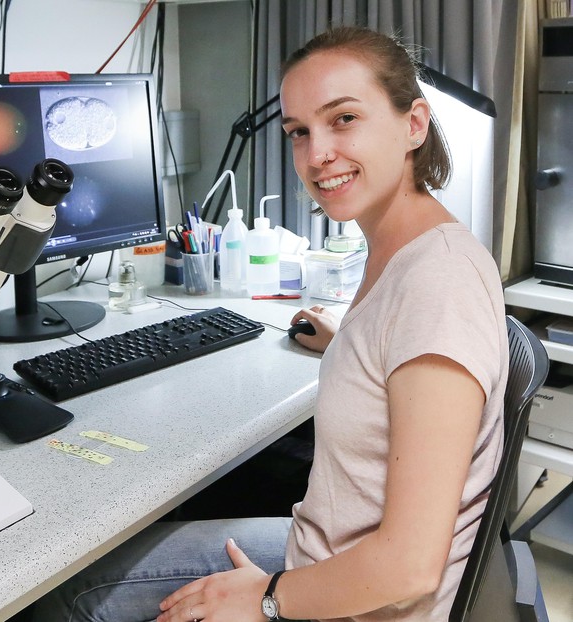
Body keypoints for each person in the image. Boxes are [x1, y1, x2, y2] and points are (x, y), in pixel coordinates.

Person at [31, 26, 508, 622]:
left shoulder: (438, 285)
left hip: (367, 599)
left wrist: (268, 600)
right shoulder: (404, 250)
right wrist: (354, 350)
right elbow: (408, 360)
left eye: (344, 119)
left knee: (67, 593)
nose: (316, 155)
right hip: (329, 551)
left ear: (414, 124)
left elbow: (408, 567)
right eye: (299, 132)